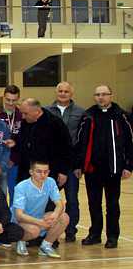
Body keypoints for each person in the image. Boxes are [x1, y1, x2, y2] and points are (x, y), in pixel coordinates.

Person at [74, 84, 133, 249]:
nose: (101, 97)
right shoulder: (88, 116)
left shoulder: (122, 116)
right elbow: (80, 142)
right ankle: (95, 234)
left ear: (111, 96)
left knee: (112, 204)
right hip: (92, 169)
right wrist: (79, 165)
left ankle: (112, 236)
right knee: (94, 203)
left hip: (113, 168)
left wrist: (128, 165)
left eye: (104, 94)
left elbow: (130, 143)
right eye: (98, 94)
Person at [45, 82, 85, 242]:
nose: (63, 93)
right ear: (56, 92)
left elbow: (83, 140)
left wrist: (79, 165)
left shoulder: (81, 112)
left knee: (72, 199)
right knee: (49, 200)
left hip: (72, 165)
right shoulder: (46, 111)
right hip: (52, 165)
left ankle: (71, 231)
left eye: (66, 91)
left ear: (71, 93)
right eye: (60, 91)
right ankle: (50, 232)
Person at [12, 160, 68, 258]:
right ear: (31, 172)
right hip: (20, 222)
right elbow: (19, 216)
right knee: (34, 230)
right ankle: (21, 241)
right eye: (39, 171)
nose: (43, 175)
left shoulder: (50, 182)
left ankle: (46, 245)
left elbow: (59, 204)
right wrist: (40, 222)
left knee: (64, 217)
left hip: (38, 218)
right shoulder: (21, 187)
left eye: (45, 172)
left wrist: (55, 214)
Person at [15, 98, 72, 187]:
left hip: (48, 172)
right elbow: (22, 143)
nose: (23, 116)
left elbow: (66, 148)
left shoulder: (55, 123)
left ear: (37, 111)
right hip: (26, 172)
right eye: (21, 113)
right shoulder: (25, 122)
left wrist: (63, 171)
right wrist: (14, 142)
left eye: (25, 113)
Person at [0, 85, 23, 201]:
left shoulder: (22, 114)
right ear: (3, 97)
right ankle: (2, 213)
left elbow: (24, 139)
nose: (10, 103)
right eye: (8, 99)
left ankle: (14, 213)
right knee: (1, 192)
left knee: (15, 191)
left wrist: (13, 158)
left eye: (14, 100)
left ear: (18, 99)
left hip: (15, 161)